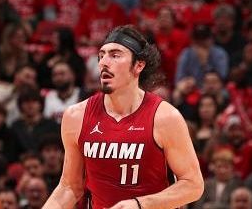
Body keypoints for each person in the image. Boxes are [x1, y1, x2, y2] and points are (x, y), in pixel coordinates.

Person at [42, 25, 204, 209]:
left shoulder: (165, 118)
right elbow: (70, 187)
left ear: (138, 65)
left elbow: (193, 185)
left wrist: (140, 204)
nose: (104, 62)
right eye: (101, 55)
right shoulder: (76, 116)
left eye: (115, 55)